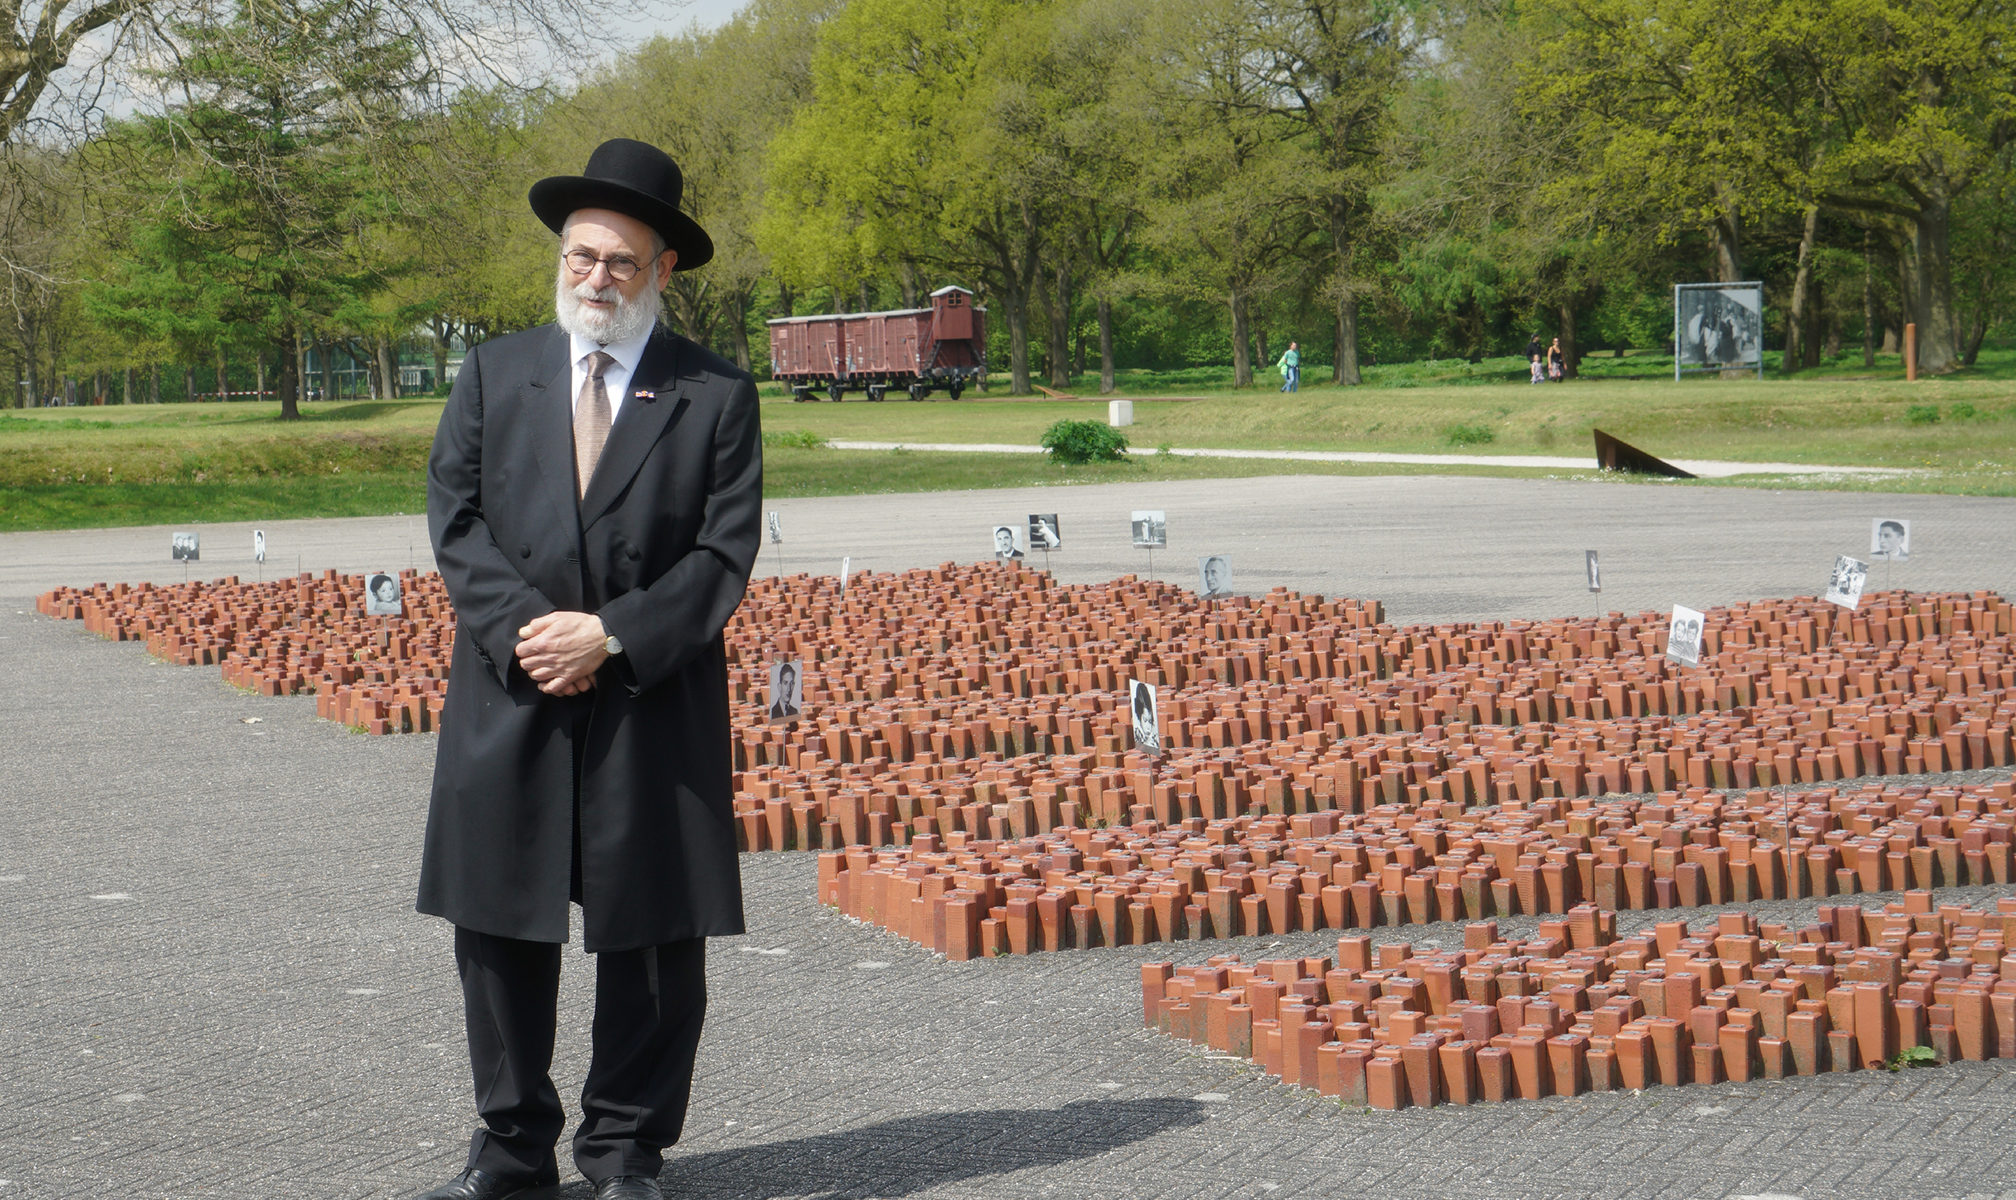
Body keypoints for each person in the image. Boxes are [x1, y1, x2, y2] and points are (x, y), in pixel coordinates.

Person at [413, 139, 762, 1200]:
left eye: (620, 261)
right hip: (511, 686)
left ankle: (622, 1154)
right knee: (500, 926)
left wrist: (608, 634)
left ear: (663, 270)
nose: (595, 278)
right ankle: (510, 1148)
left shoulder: (714, 393)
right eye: (579, 257)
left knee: (651, 936)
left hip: (649, 699)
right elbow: (455, 516)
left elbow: (722, 553)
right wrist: (534, 630)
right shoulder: (494, 372)